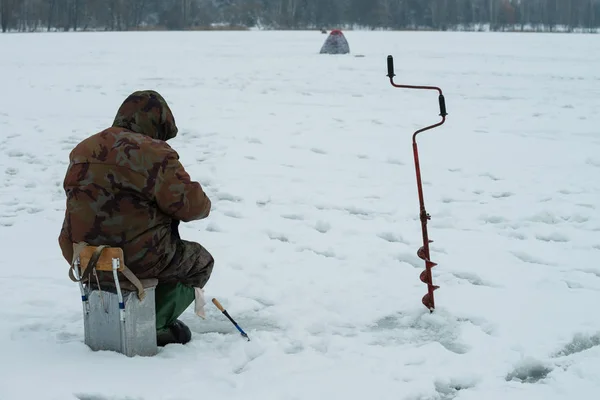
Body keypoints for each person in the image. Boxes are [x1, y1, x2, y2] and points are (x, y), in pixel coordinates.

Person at [58, 90, 214, 346]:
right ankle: (155, 325)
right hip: (137, 259)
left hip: (84, 257)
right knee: (199, 262)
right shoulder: (155, 153)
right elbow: (194, 207)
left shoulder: (83, 149)